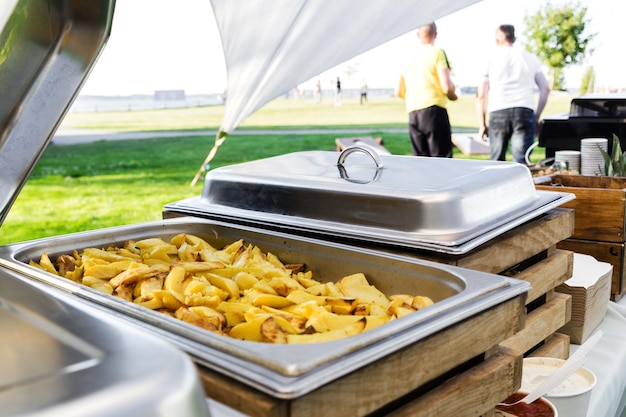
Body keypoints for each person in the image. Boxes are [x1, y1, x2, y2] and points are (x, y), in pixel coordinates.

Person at [476, 24, 550, 163]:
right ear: (514, 38)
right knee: (521, 162)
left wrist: (482, 124)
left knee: (496, 161)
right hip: (524, 109)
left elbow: (481, 95)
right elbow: (545, 89)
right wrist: (537, 116)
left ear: (497, 40)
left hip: (498, 110)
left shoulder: (490, 58)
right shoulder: (530, 58)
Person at [397, 22, 457, 158]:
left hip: (413, 112)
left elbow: (398, 91)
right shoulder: (437, 53)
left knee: (420, 162)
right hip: (434, 110)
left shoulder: (407, 56)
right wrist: (453, 95)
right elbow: (446, 86)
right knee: (442, 160)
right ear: (435, 35)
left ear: (418, 34)